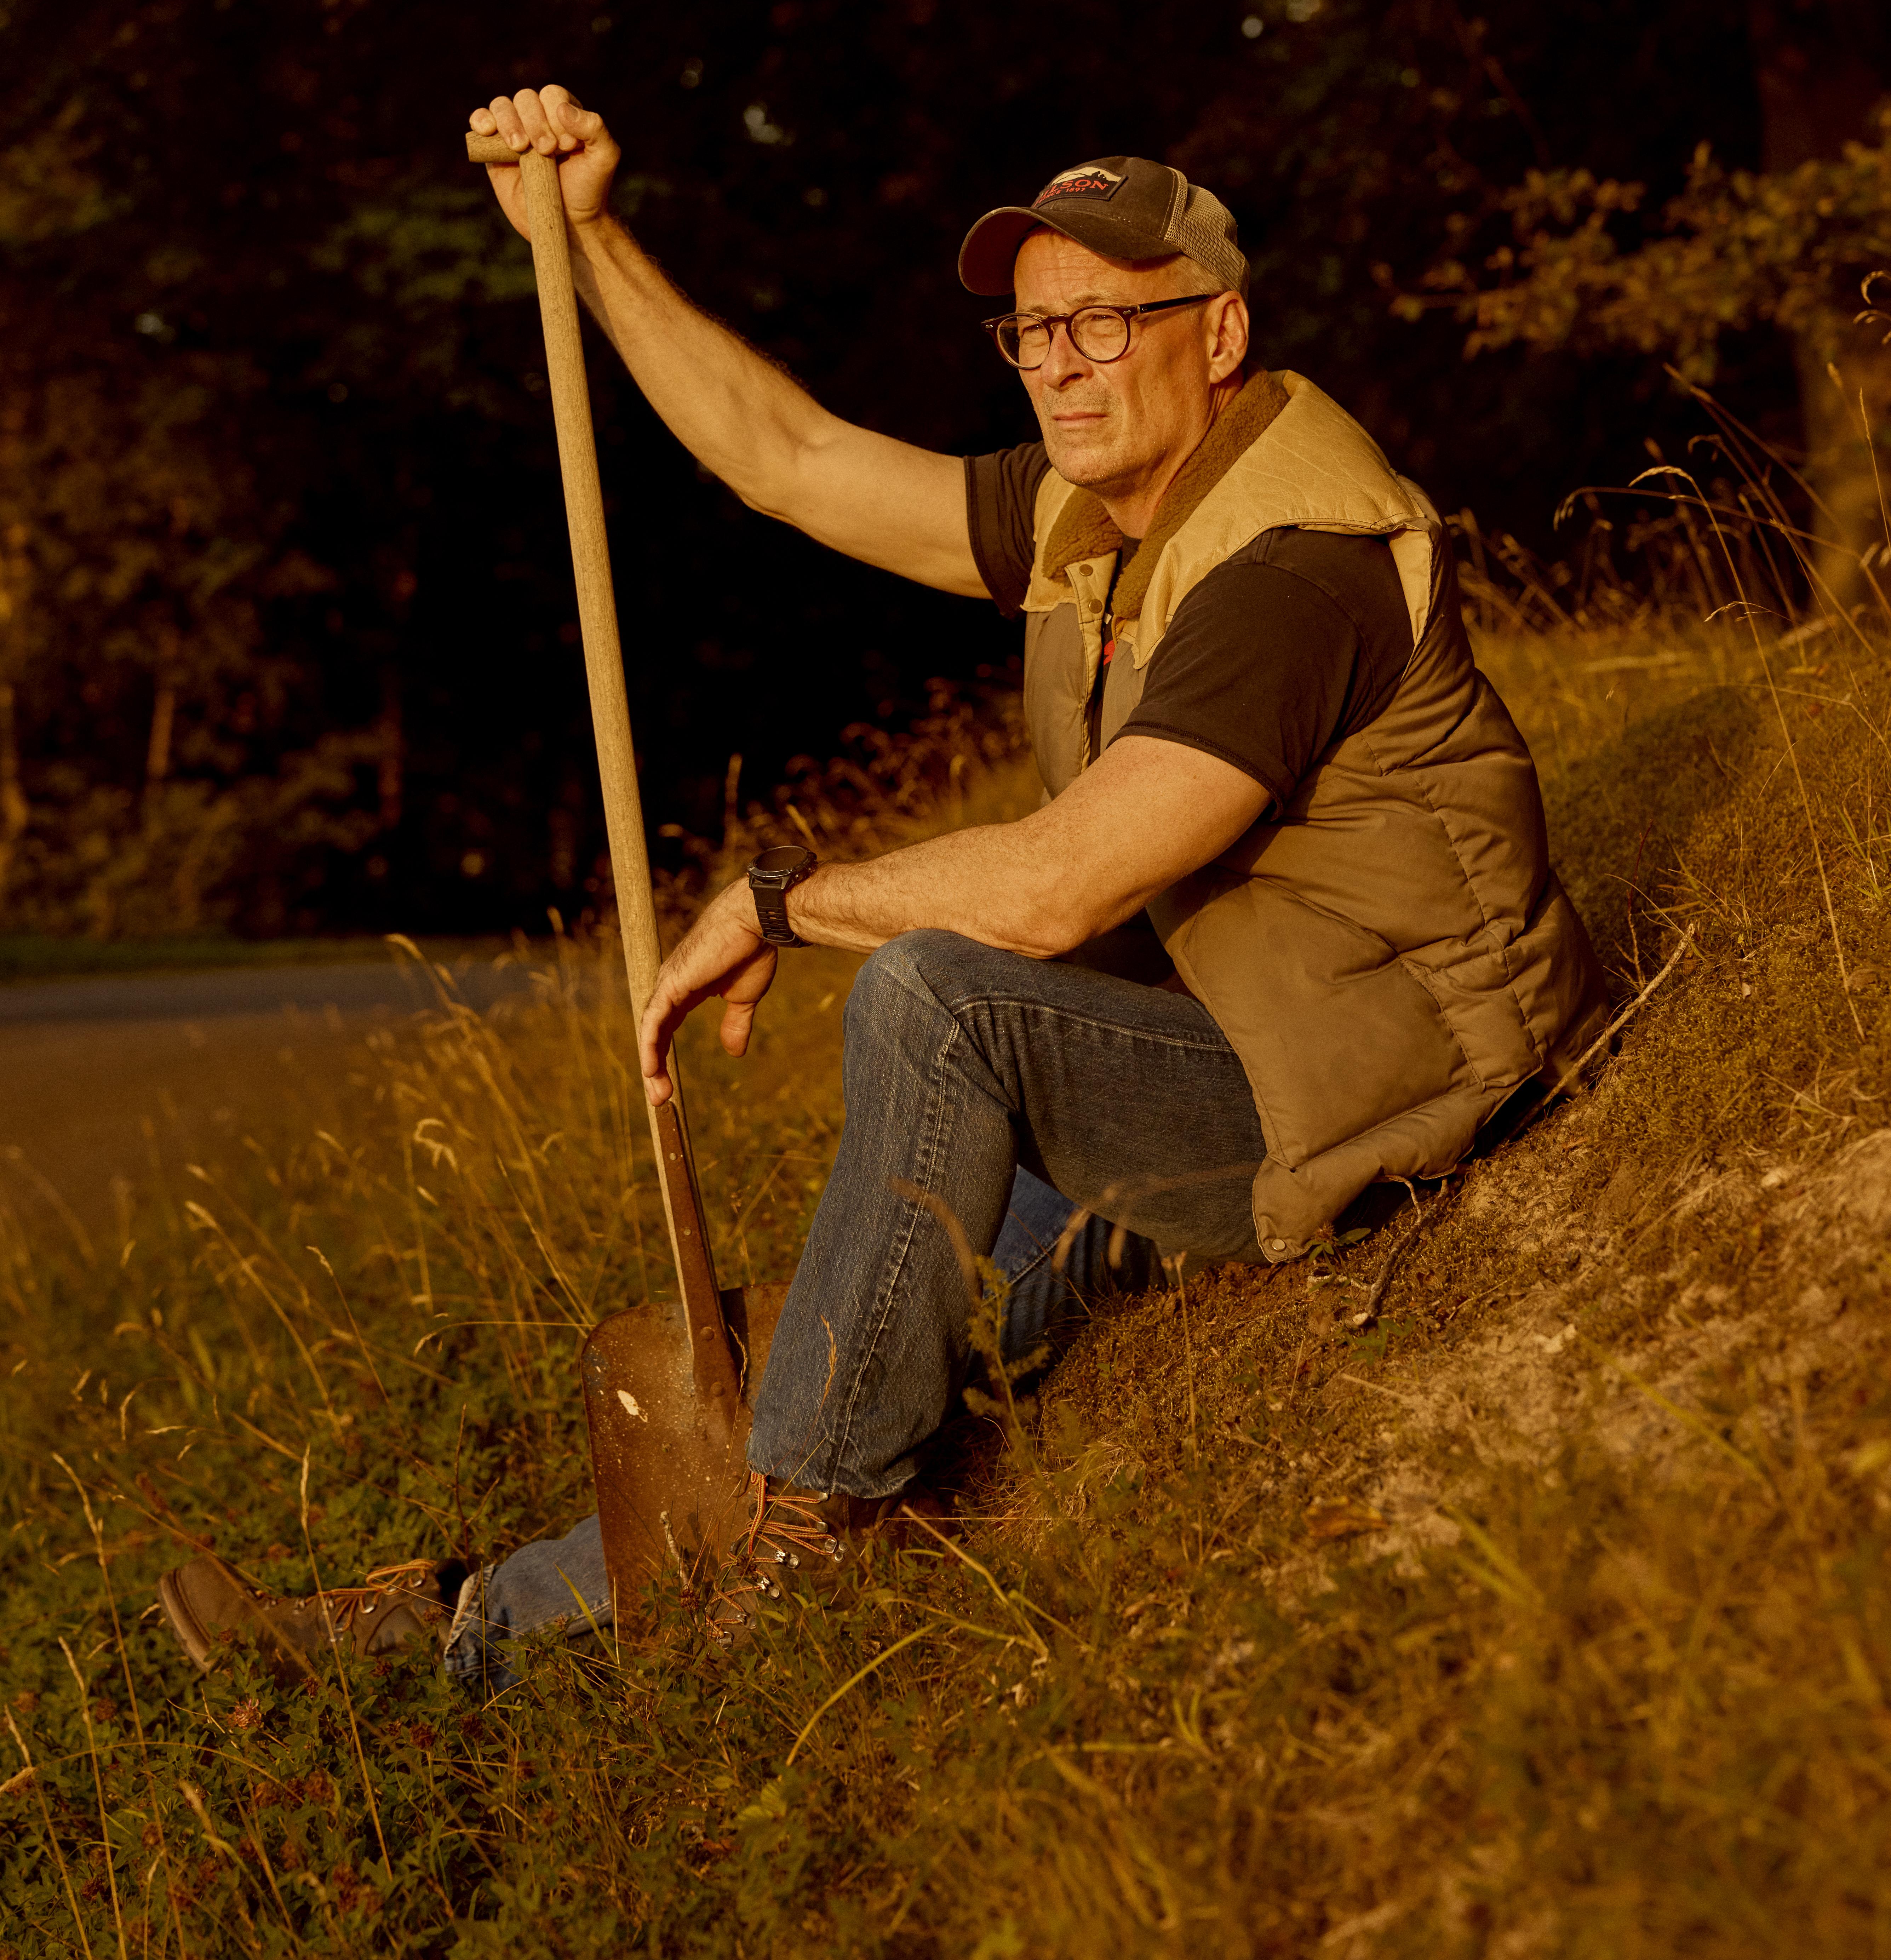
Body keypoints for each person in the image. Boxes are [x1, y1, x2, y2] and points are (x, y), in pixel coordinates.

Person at [157, 87, 1605, 1686]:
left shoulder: (1290, 564)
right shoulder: (1104, 514)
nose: (1057, 361)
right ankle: (450, 1634)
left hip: (1391, 1079)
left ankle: (805, 1555)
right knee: (850, 1326)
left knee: (936, 999)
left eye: (1105, 325)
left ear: (1220, 329)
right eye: (1032, 329)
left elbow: (1057, 889)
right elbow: (786, 459)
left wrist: (780, 897)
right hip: (1237, 1039)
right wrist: (584, 237)